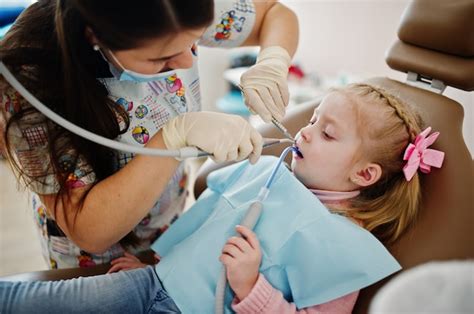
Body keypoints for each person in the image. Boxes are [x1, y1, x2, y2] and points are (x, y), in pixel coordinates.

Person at [0, 84, 445, 313]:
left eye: (327, 133)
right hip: (150, 286)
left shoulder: (343, 248)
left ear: (364, 174)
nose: (306, 131)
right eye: (313, 118)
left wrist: (252, 287)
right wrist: (158, 266)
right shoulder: (270, 175)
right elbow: (201, 228)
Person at [0, 0, 299, 269]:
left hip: (170, 227)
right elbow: (89, 230)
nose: (188, 63)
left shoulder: (178, 9)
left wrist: (273, 61)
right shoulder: (31, 82)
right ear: (97, 37)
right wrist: (171, 138)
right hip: (95, 261)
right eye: (163, 59)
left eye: (195, 42)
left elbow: (275, 13)